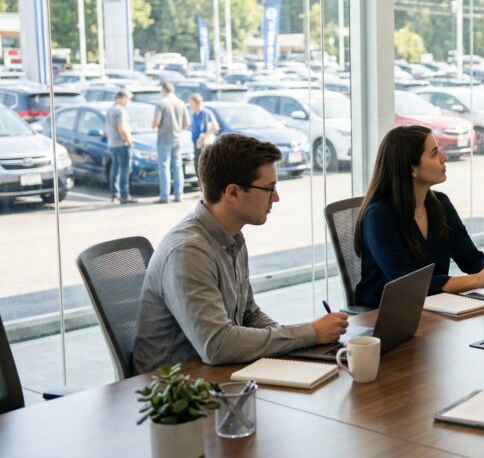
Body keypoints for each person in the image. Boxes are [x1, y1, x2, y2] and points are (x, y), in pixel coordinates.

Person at [133, 134, 349, 373]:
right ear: (233, 193)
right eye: (269, 188)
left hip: (216, 374)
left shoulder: (232, 237)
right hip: (175, 390)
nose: (276, 198)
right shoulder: (188, 251)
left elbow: (249, 315)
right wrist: (309, 333)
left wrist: (297, 348)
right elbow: (217, 345)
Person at [353, 125, 484, 309]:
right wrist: (479, 279)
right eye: (434, 153)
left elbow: (471, 259)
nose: (444, 157)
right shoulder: (379, 216)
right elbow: (409, 284)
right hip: (383, 316)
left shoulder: (440, 203)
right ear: (412, 169)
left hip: (432, 308)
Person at [152, 82, 190, 203]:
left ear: (163, 90)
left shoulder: (161, 103)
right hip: (177, 137)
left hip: (164, 138)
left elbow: (156, 121)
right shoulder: (181, 103)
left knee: (164, 167)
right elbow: (187, 122)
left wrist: (153, 125)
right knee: (177, 166)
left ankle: (164, 196)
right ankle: (179, 195)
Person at [104, 89, 138, 205]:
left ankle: (115, 194)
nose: (128, 102)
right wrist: (129, 141)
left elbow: (106, 129)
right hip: (121, 144)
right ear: (121, 98)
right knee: (124, 170)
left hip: (112, 144)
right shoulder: (120, 110)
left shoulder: (110, 109)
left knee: (115, 169)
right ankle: (125, 195)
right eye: (127, 99)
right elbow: (122, 128)